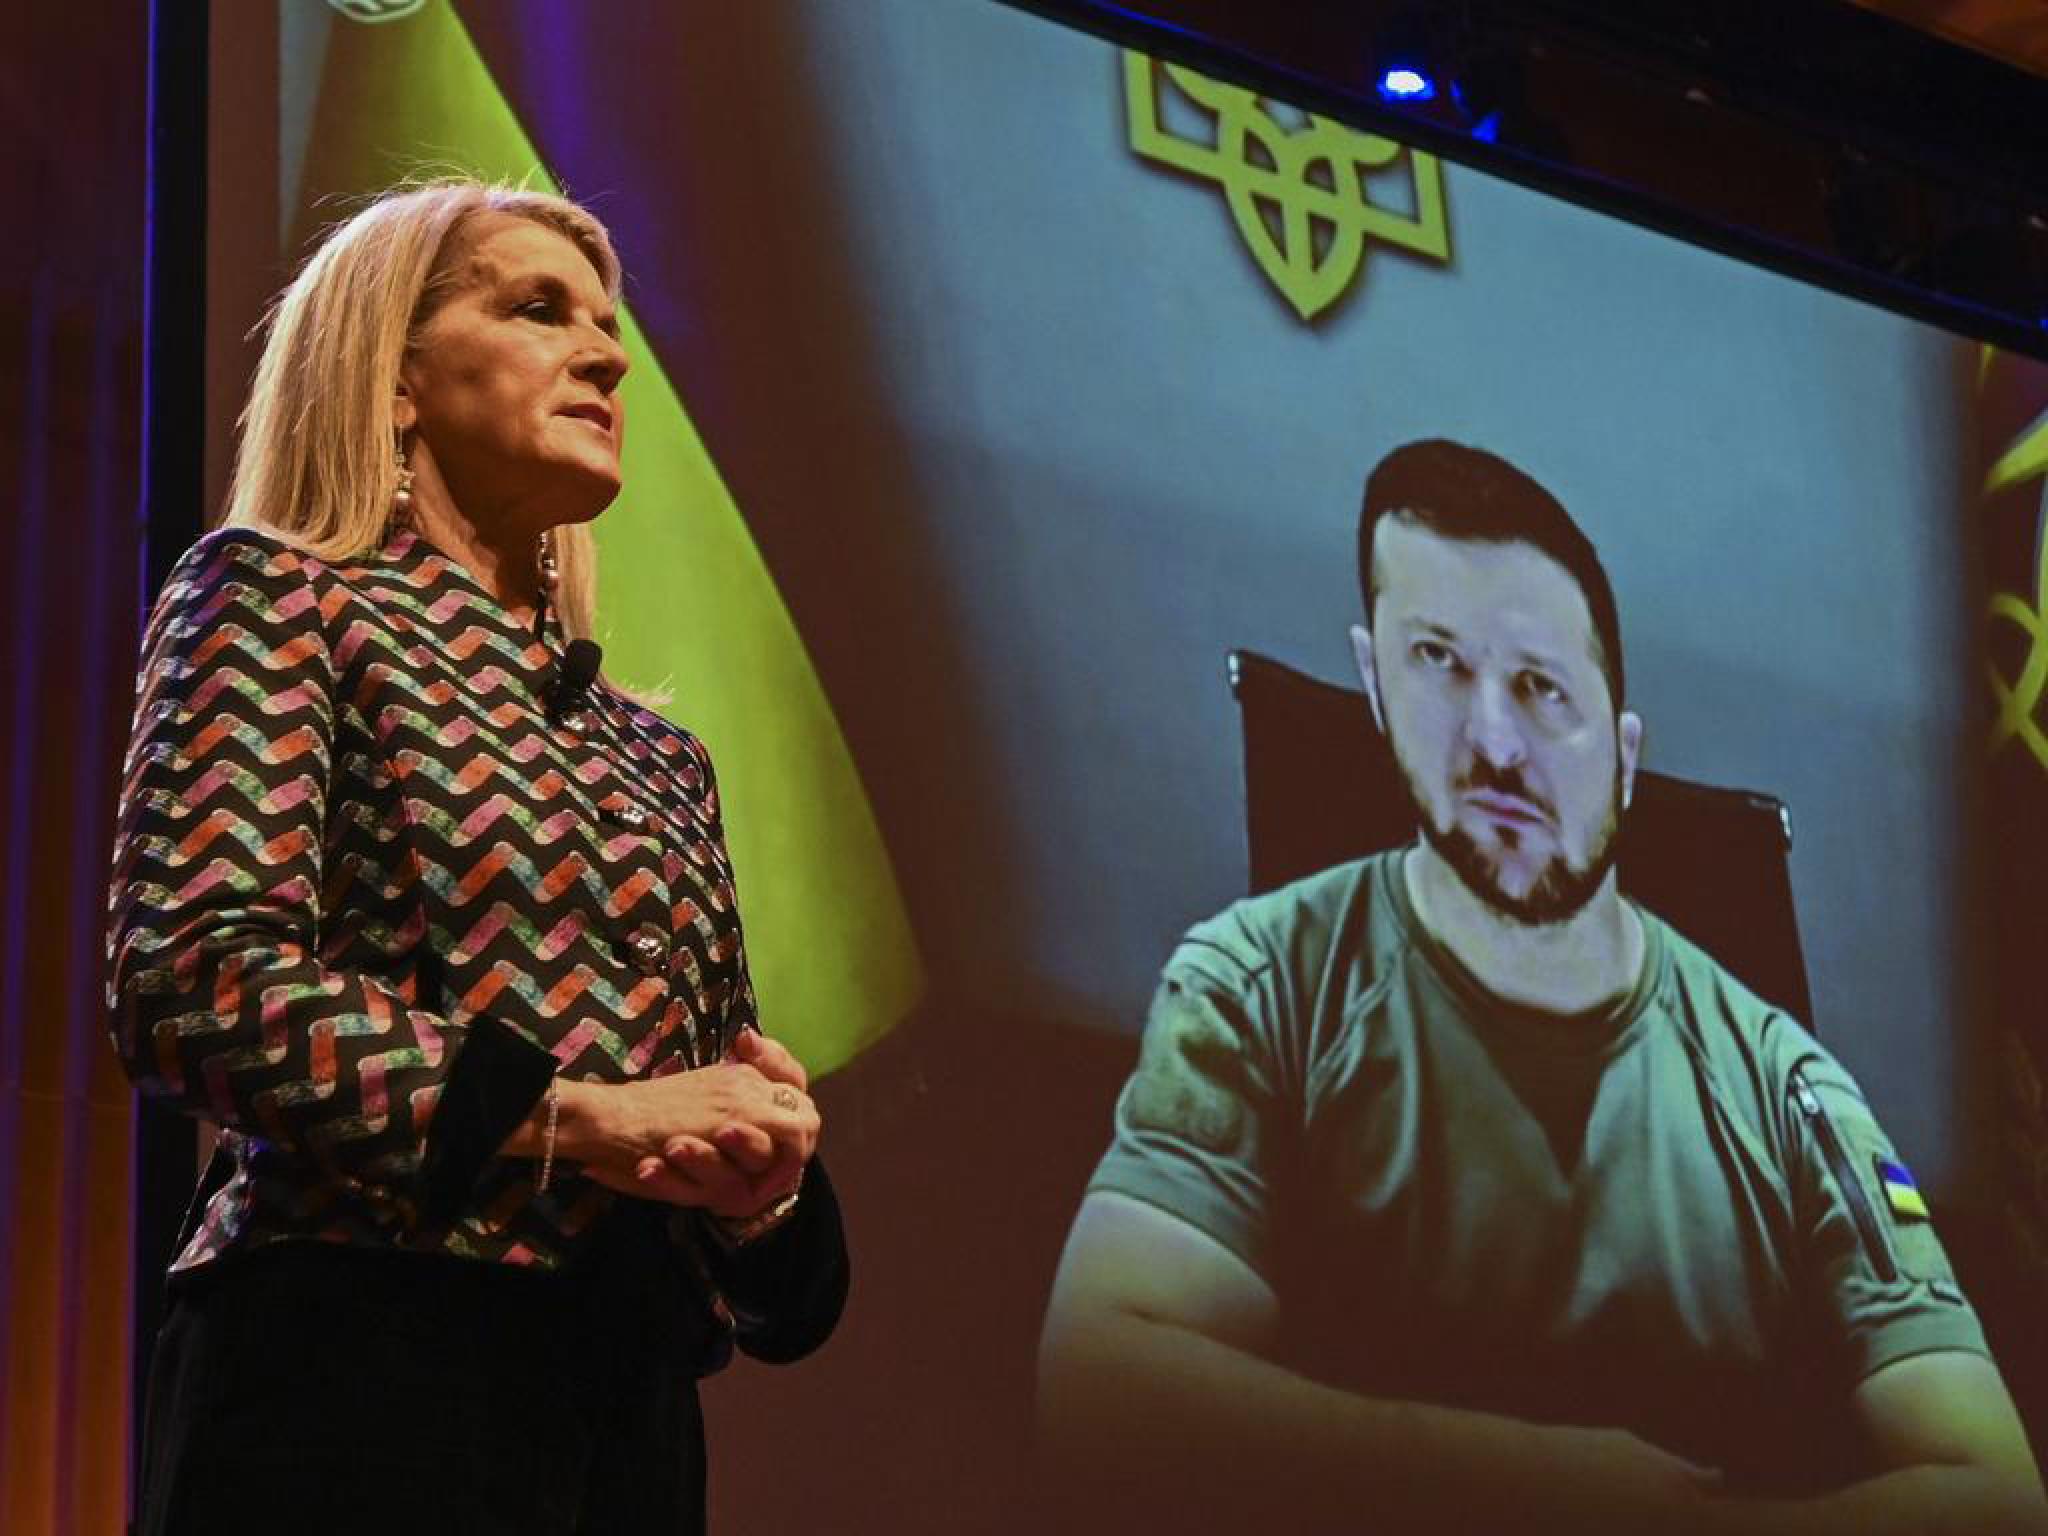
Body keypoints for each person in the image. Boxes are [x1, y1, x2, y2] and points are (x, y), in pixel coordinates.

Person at [1037, 439, 2046, 1534]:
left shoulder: (1787, 1088)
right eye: (1435, 661)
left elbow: (1993, 1495)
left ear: (1621, 752)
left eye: (1537, 687)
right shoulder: (1253, 985)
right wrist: (1557, 1491)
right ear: (1372, 681)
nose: (1491, 741)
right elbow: (1099, 1388)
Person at [107, 180, 847, 1535]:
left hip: (625, 1423)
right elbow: (193, 976)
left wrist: (758, 1191)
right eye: (538, 308)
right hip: (356, 1383)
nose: (610, 355)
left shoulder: (663, 759)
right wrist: (576, 1116)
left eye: (612, 327)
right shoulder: (281, 601)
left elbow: (705, 1118)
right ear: (395, 380)